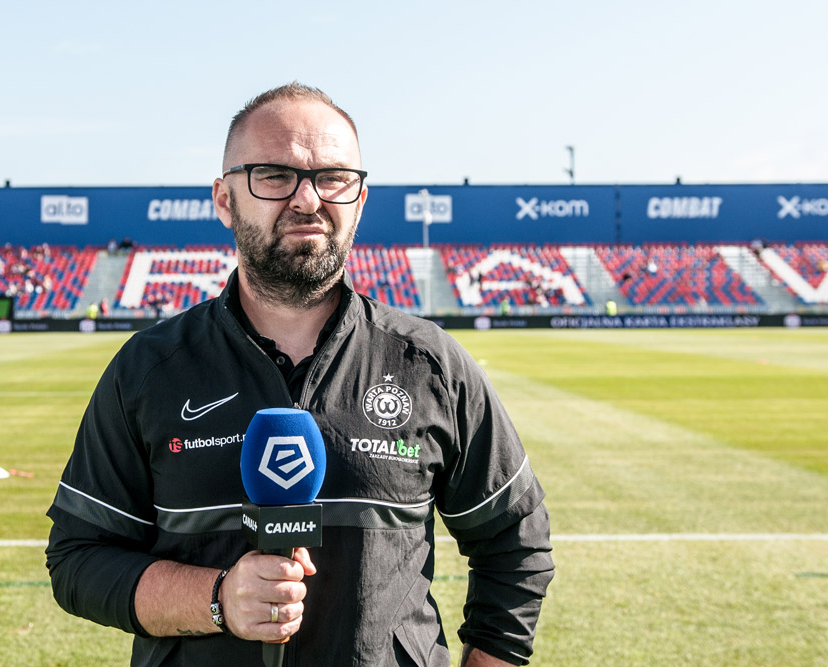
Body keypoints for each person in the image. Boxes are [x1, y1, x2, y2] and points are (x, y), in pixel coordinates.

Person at [46, 83, 554, 666]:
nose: (308, 200)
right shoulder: (147, 370)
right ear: (223, 199)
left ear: (360, 200)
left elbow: (516, 542)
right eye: (274, 175)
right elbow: (78, 559)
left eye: (334, 177)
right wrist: (215, 599)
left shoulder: (431, 365)